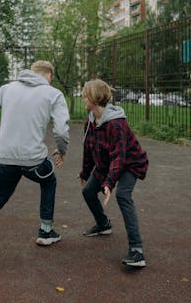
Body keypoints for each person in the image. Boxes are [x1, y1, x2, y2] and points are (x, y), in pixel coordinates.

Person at [0, 60, 70, 254]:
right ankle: (46, 231)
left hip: (4, 157)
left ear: (31, 72)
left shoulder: (8, 89)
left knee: (0, 195)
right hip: (33, 160)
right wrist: (62, 150)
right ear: (48, 75)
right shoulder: (53, 94)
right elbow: (61, 129)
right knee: (49, 182)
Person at [79, 79, 149, 267]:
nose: (82, 98)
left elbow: (119, 156)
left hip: (129, 163)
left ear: (94, 97)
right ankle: (103, 225)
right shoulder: (90, 123)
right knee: (87, 192)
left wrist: (109, 183)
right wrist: (85, 173)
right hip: (107, 163)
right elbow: (89, 150)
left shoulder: (116, 124)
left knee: (123, 196)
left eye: (85, 95)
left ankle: (137, 251)